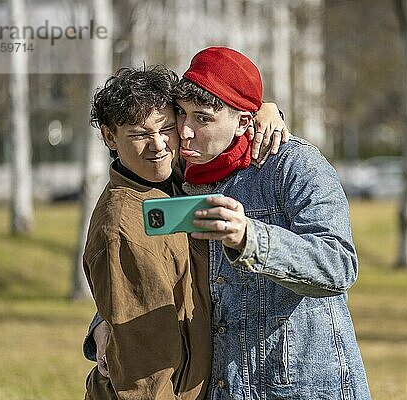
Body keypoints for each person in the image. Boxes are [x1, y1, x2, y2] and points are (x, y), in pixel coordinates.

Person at [173, 47, 371, 399]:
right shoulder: (176, 177)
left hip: (304, 388)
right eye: (181, 113)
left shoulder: (293, 163)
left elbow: (339, 265)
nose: (185, 131)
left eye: (202, 118)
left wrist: (249, 237)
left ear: (244, 122)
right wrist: (102, 325)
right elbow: (151, 263)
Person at [81, 64, 288, 400]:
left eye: (166, 128)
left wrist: (266, 110)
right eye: (139, 134)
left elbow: (220, 110)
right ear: (109, 137)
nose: (159, 145)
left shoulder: (171, 179)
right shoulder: (119, 226)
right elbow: (144, 366)